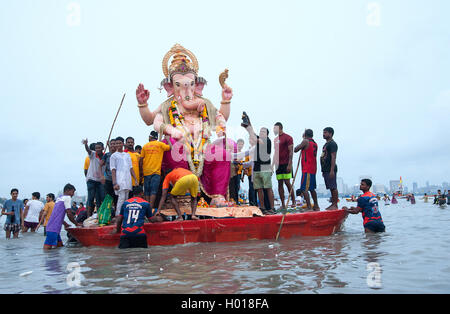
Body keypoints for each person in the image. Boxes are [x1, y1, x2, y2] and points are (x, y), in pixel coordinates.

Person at [240, 112, 275, 214]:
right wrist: (248, 122)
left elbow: (254, 136)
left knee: (268, 188)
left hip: (265, 167)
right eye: (261, 132)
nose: (262, 133)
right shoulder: (257, 141)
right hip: (256, 168)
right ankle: (262, 208)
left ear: (267, 134)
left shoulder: (267, 141)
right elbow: (252, 133)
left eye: (264, 132)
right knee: (259, 189)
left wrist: (249, 127)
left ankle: (271, 208)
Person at [43, 184, 82, 250]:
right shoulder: (67, 197)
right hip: (53, 228)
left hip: (52, 227)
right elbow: (69, 213)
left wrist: (65, 224)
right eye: (72, 192)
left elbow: (57, 215)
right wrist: (76, 223)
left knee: (60, 247)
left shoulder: (59, 198)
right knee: (47, 250)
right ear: (67, 190)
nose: (73, 194)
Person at [139, 131, 171, 208]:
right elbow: (170, 147)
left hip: (146, 172)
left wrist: (141, 171)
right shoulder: (160, 144)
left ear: (150, 137)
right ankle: (151, 208)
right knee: (153, 191)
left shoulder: (145, 146)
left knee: (147, 191)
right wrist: (168, 139)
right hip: (156, 172)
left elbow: (141, 159)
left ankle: (147, 208)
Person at [111, 137, 138, 217]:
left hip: (128, 179)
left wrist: (135, 179)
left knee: (126, 199)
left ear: (123, 144)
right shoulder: (114, 156)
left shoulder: (127, 155)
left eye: (120, 143)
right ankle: (118, 216)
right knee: (121, 198)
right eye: (116, 143)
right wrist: (114, 183)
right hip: (119, 179)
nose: (118, 145)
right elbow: (113, 169)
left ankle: (125, 216)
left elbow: (131, 168)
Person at [294, 129, 320, 211]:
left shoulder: (305, 141)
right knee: (312, 189)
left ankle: (309, 207)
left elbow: (295, 149)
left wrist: (303, 139)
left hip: (307, 169)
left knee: (304, 189)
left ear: (305, 135)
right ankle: (316, 206)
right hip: (313, 168)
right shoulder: (315, 143)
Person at [273, 122, 295, 209]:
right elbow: (275, 153)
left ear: (279, 128)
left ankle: (293, 201)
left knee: (287, 182)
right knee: (279, 184)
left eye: (275, 128)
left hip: (286, 163)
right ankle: (283, 204)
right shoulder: (275, 139)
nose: (273, 130)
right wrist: (273, 165)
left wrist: (290, 164)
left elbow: (291, 151)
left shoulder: (288, 137)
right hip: (278, 165)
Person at [82, 139, 105, 216]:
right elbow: (88, 150)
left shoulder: (105, 156)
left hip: (99, 181)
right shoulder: (93, 154)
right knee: (91, 198)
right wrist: (86, 144)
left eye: (99, 148)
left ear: (102, 148)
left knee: (99, 199)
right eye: (96, 148)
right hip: (91, 180)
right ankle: (88, 216)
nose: (97, 149)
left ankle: (99, 215)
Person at [320, 127, 339, 210]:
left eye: (325, 132)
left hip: (330, 169)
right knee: (330, 187)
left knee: (333, 187)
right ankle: (333, 204)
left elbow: (333, 157)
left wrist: (331, 170)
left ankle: (335, 204)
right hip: (326, 169)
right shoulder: (326, 144)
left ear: (330, 134)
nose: (323, 134)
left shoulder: (332, 144)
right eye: (323, 132)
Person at [101, 139, 118, 215]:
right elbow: (100, 165)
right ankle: (106, 215)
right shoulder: (106, 155)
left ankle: (116, 215)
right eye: (112, 144)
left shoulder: (119, 155)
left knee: (116, 198)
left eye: (115, 144)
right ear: (110, 145)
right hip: (108, 179)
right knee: (108, 198)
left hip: (117, 180)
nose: (113, 145)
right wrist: (101, 176)